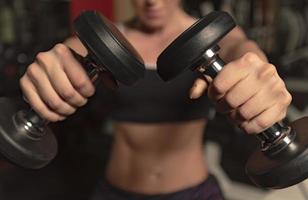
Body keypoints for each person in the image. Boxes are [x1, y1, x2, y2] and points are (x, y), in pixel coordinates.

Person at [19, 0, 292, 199]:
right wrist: (50, 70)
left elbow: (244, 52)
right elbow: (66, 55)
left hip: (193, 193)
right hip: (115, 192)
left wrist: (258, 73)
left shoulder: (216, 33)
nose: (153, 1)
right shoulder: (105, 38)